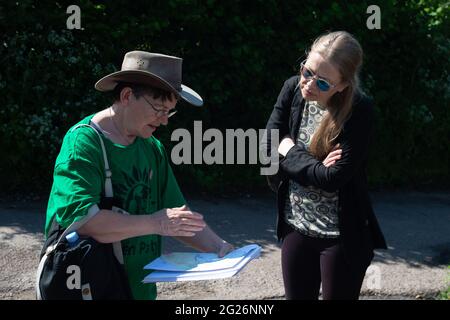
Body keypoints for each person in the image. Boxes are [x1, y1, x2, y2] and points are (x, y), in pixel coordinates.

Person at [44, 51, 233, 300]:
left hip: (139, 292)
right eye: (159, 109)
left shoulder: (152, 148)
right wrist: (156, 223)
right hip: (89, 289)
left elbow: (177, 215)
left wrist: (220, 248)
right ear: (126, 96)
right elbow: (86, 222)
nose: (164, 121)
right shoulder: (83, 143)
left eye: (170, 112)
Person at [263, 31, 387, 300]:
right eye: (307, 71)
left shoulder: (359, 110)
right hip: (296, 224)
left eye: (322, 83)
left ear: (342, 85)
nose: (308, 84)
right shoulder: (292, 89)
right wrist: (313, 165)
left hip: (340, 238)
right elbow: (267, 148)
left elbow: (332, 179)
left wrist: (288, 150)